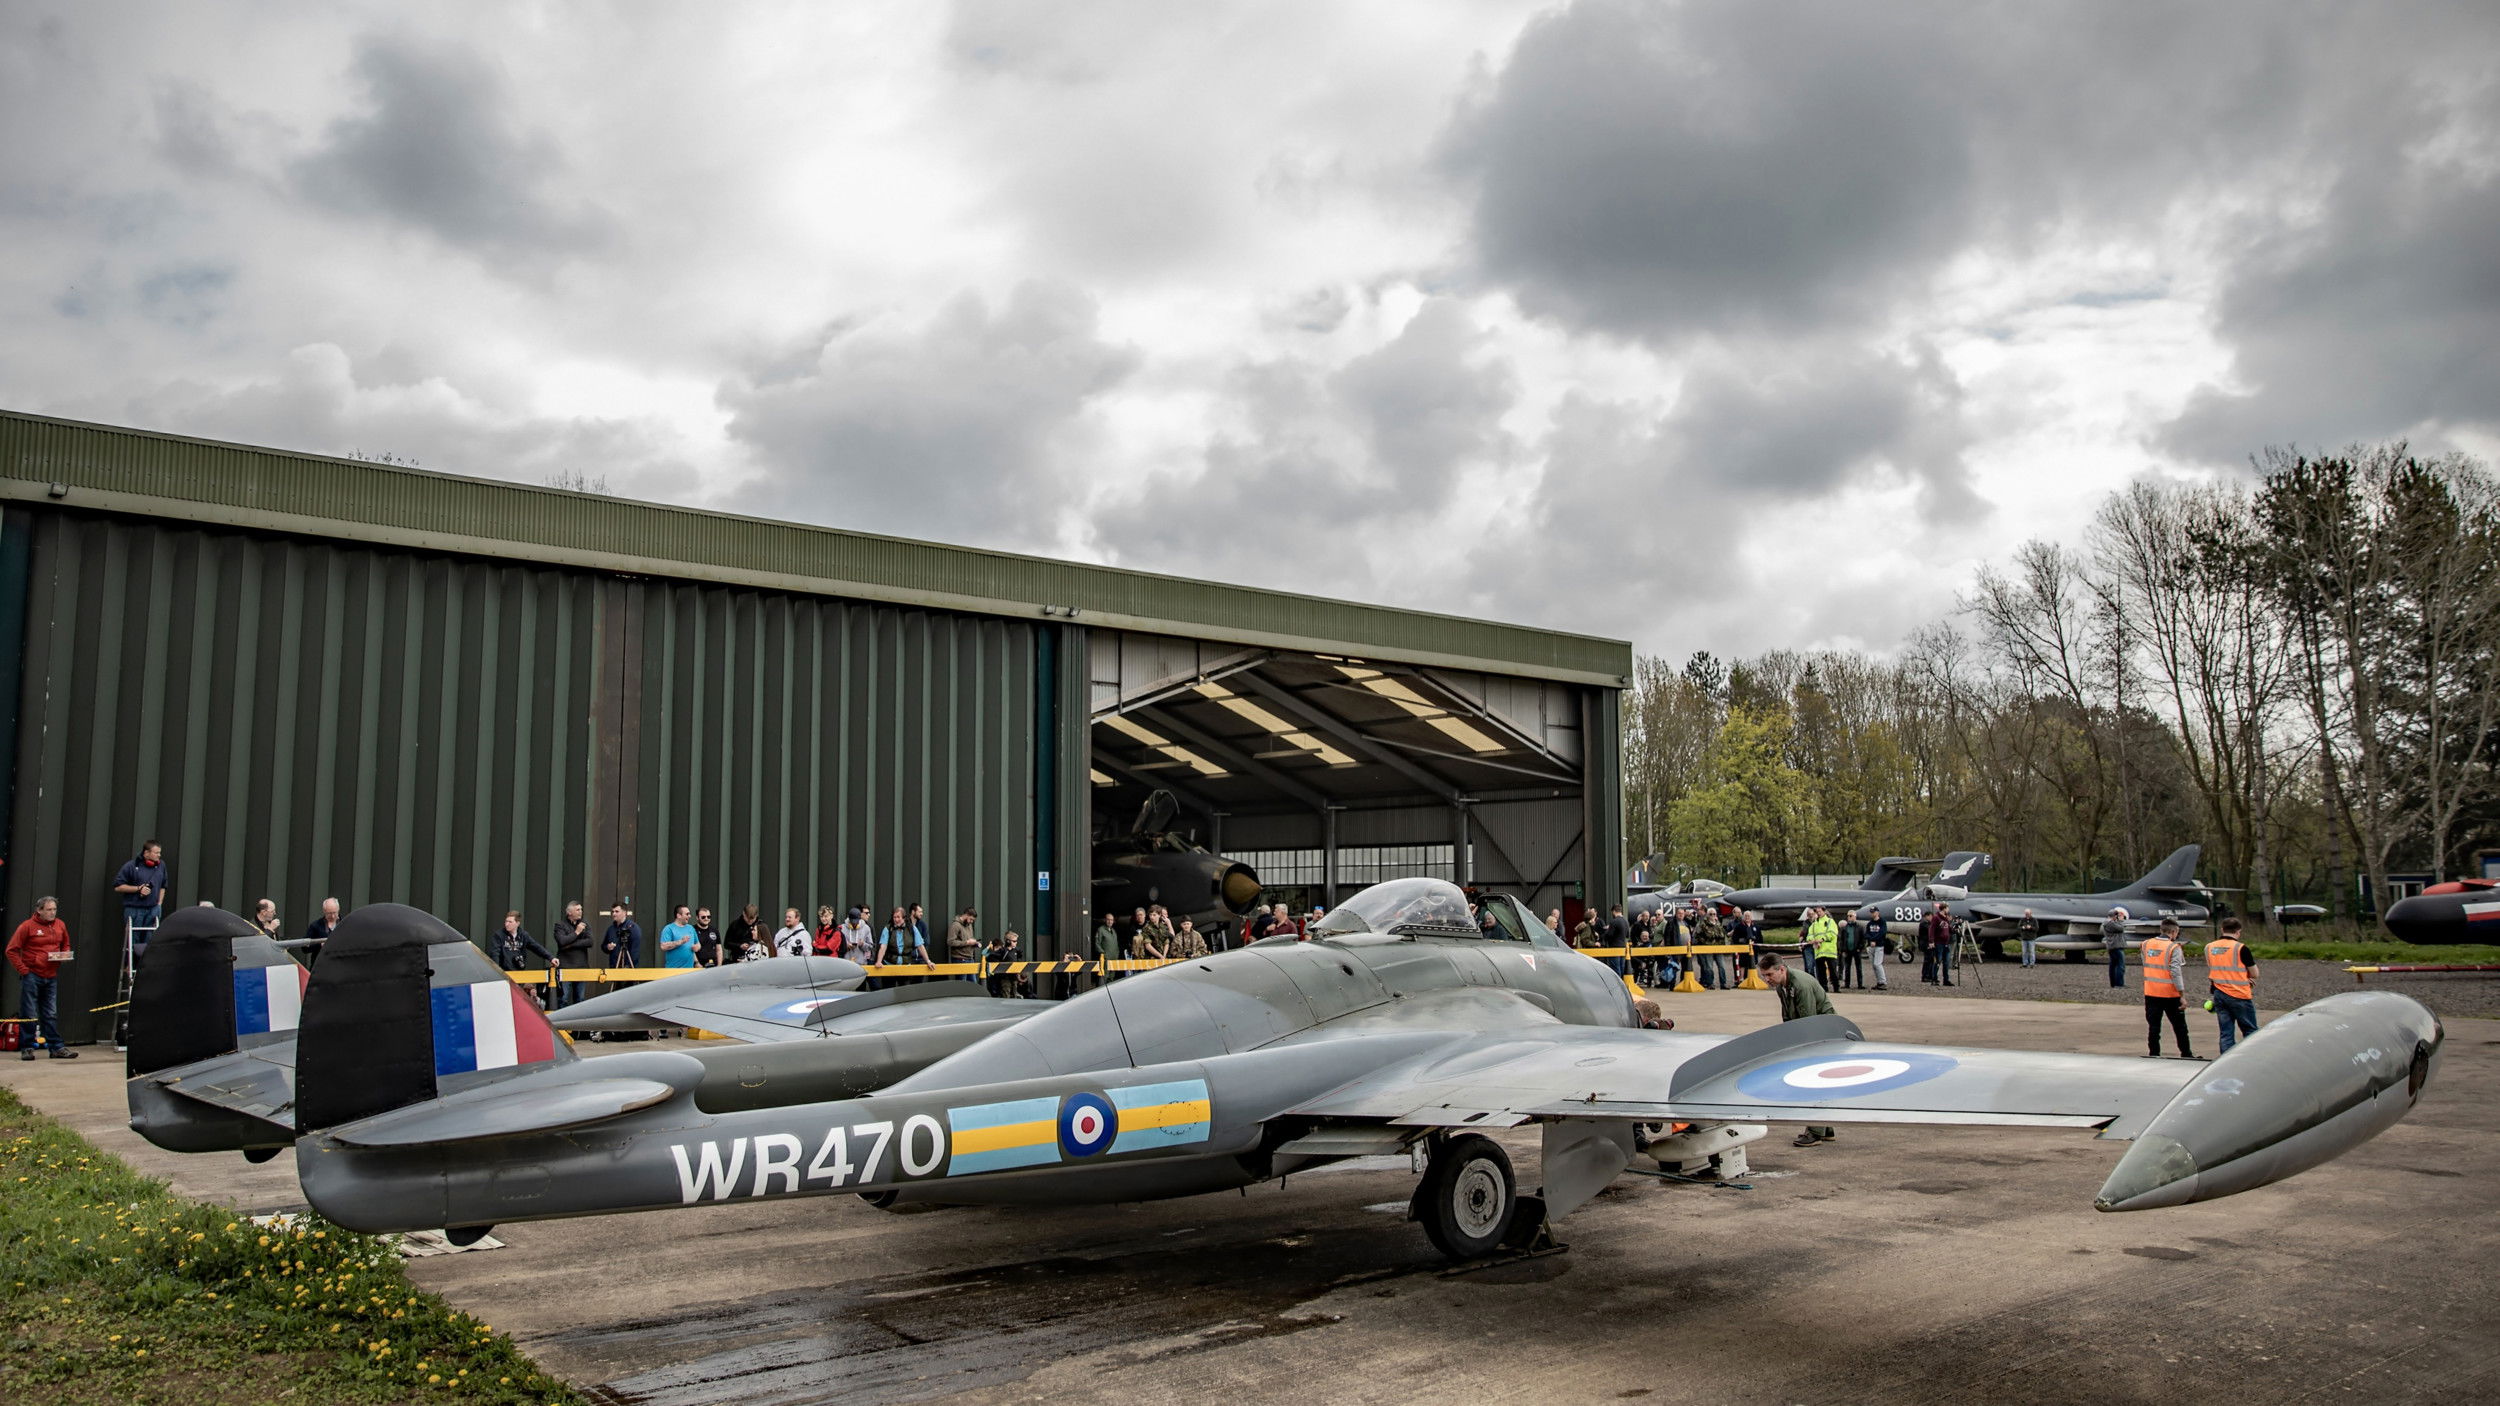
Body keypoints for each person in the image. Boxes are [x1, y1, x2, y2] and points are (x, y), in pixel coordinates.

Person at [1758, 955, 1834, 1145]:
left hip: (1823, 1034)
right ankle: (1826, 1128)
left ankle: (1815, 1131)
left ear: (1781, 970)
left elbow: (1808, 1022)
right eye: (1764, 975)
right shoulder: (1781, 986)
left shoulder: (1800, 985)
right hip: (1812, 1033)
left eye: (1769, 974)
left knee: (1814, 1081)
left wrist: (1802, 1049)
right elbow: (1788, 1016)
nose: (1767, 979)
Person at [7, 897, 75, 1060]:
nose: (52, 913)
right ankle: (28, 1047)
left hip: (51, 975)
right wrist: (24, 970)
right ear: (39, 910)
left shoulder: (60, 925)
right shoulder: (27, 926)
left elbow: (65, 943)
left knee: (51, 1013)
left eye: (54, 909)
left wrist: (65, 953)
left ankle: (56, 1047)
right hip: (32, 975)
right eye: (49, 910)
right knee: (29, 1012)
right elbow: (11, 950)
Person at [2140, 917, 2195, 1059]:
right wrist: (2181, 993)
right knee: (2180, 1027)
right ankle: (2186, 1053)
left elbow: (2145, 962)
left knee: (2154, 1027)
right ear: (2174, 932)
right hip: (2170, 994)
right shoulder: (2173, 947)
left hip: (2151, 992)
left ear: (2161, 930)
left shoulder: (2146, 944)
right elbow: (2175, 971)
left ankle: (2154, 1054)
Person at [2205, 916, 2259, 1053]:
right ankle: (2251, 1057)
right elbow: (2254, 973)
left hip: (2219, 994)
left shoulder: (2209, 947)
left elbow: (2217, 968)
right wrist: (2243, 977)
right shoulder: (2241, 948)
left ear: (2222, 929)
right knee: (2250, 1030)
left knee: (2226, 1032)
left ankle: (2226, 1060)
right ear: (2238, 932)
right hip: (2239, 994)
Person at [113, 840, 170, 963]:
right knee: (134, 940)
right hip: (135, 909)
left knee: (151, 940)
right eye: (156, 853)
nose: (159, 855)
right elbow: (118, 887)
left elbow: (163, 886)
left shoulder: (161, 866)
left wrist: (159, 903)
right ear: (146, 853)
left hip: (153, 909)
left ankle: (146, 967)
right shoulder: (131, 866)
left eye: (160, 853)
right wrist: (138, 888)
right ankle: (131, 966)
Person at [551, 900, 594, 1005]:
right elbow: (562, 941)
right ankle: (562, 1021)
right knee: (563, 998)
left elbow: (590, 942)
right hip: (565, 966)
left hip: (581, 966)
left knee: (580, 999)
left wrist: (570, 944)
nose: (580, 912)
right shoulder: (560, 925)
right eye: (577, 909)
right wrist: (577, 932)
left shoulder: (584, 924)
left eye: (581, 909)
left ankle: (578, 1022)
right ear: (569, 912)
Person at [985, 927, 1028, 998]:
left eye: (1016, 941)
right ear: (1008, 941)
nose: (1016, 943)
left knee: (1014, 991)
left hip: (1014, 976)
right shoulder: (1003, 951)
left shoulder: (1017, 950)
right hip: (1005, 976)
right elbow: (991, 956)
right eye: (1014, 941)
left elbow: (1020, 958)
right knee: (1006, 991)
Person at [298, 897, 342, 964]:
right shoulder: (316, 926)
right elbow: (304, 948)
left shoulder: (344, 924)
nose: (333, 916)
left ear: (338, 910)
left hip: (339, 965)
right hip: (321, 966)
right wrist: (319, 945)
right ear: (324, 911)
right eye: (329, 913)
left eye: (335, 913)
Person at [1921, 903, 1956, 986]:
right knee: (1937, 961)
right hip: (1939, 943)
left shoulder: (1946, 918)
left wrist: (1955, 927)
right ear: (1944, 909)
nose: (1948, 910)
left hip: (1945, 943)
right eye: (1947, 908)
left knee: (1946, 962)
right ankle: (1934, 978)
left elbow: (1949, 929)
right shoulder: (1936, 918)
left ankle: (1946, 980)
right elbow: (1931, 929)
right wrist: (1931, 941)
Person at [601, 902, 643, 969]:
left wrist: (628, 966)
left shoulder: (633, 928)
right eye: (613, 911)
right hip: (614, 967)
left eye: (617, 911)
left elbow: (635, 951)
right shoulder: (611, 929)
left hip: (629, 969)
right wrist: (608, 947)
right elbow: (603, 946)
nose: (614, 914)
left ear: (624, 913)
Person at [1806, 907, 1841, 989]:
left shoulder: (1830, 921)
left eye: (1820, 911)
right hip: (1819, 951)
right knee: (1821, 971)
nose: (1818, 913)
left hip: (1829, 951)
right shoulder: (1814, 924)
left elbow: (1832, 933)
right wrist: (1812, 940)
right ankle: (1823, 987)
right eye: (1817, 912)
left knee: (1832, 971)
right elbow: (1809, 935)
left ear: (1824, 911)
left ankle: (1836, 987)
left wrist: (1821, 939)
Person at [657, 904, 698, 970]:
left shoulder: (691, 928)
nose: (690, 916)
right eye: (687, 914)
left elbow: (697, 944)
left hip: (689, 971)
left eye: (689, 914)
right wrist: (681, 941)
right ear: (678, 915)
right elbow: (663, 946)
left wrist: (697, 947)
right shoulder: (668, 928)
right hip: (673, 971)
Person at [2101, 906, 2130, 988]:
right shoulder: (2110, 923)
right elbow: (2121, 928)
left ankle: (2113, 983)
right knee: (2120, 966)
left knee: (2113, 965)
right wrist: (2121, 920)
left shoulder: (2107, 922)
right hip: (2116, 946)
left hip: (2112, 946)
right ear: (2114, 916)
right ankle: (2119, 984)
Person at [1862, 907, 1889, 990]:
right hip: (1871, 946)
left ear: (1878, 912)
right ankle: (1879, 982)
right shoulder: (1870, 923)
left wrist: (1874, 940)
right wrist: (1870, 940)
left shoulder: (1882, 922)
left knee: (1877, 964)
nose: (1872, 914)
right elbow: (1867, 934)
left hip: (1879, 946)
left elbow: (1882, 932)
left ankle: (1883, 982)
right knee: (1874, 965)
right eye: (1871, 912)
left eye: (1874, 912)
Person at [1093, 912, 1122, 985]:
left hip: (1114, 958)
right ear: (1105, 920)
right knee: (1104, 977)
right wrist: (1103, 953)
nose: (1110, 921)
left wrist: (1117, 953)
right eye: (1108, 919)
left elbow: (1116, 944)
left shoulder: (1113, 931)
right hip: (1105, 959)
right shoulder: (1101, 930)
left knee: (1111, 978)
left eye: (1111, 920)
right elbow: (1097, 944)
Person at [1838, 911, 1864, 990]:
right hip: (1847, 950)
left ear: (1855, 916)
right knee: (1847, 967)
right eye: (1848, 916)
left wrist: (1860, 948)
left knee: (1858, 967)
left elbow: (1862, 939)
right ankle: (1847, 984)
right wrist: (1842, 950)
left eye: (1851, 916)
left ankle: (1860, 984)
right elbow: (1842, 940)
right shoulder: (1845, 928)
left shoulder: (1859, 927)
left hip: (1856, 950)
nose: (1849, 917)